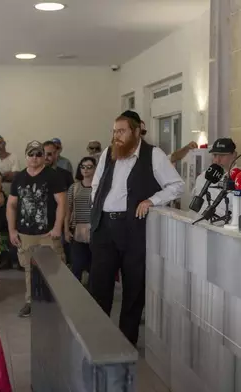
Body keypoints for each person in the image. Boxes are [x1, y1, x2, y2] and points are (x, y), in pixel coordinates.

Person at [90, 110, 184, 346]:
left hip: (133, 230)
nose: (116, 136)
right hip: (105, 227)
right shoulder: (108, 154)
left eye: (121, 131)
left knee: (134, 287)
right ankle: (97, 341)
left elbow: (177, 185)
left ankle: (126, 342)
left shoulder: (153, 155)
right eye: (114, 132)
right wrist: (97, 207)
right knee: (99, 286)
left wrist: (152, 200)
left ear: (135, 131)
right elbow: (96, 184)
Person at [7, 141, 67, 318]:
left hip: (48, 233)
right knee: (28, 269)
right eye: (31, 154)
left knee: (55, 268)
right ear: (26, 156)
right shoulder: (19, 178)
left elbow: (62, 203)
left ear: (44, 156)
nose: (35, 157)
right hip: (25, 233)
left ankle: (58, 302)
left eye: (39, 154)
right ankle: (30, 302)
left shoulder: (52, 175)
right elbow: (11, 205)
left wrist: (57, 227)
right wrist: (11, 230)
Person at [191, 138, 241, 228]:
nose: (217, 160)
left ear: (234, 155)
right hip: (199, 228)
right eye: (214, 155)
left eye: (222, 156)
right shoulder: (202, 177)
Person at [65, 157, 96, 283]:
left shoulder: (99, 187)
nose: (86, 170)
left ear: (95, 169)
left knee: (93, 266)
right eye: (83, 166)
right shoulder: (74, 187)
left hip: (94, 230)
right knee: (77, 265)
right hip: (77, 230)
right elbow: (68, 210)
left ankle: (93, 293)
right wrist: (66, 230)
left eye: (89, 167)